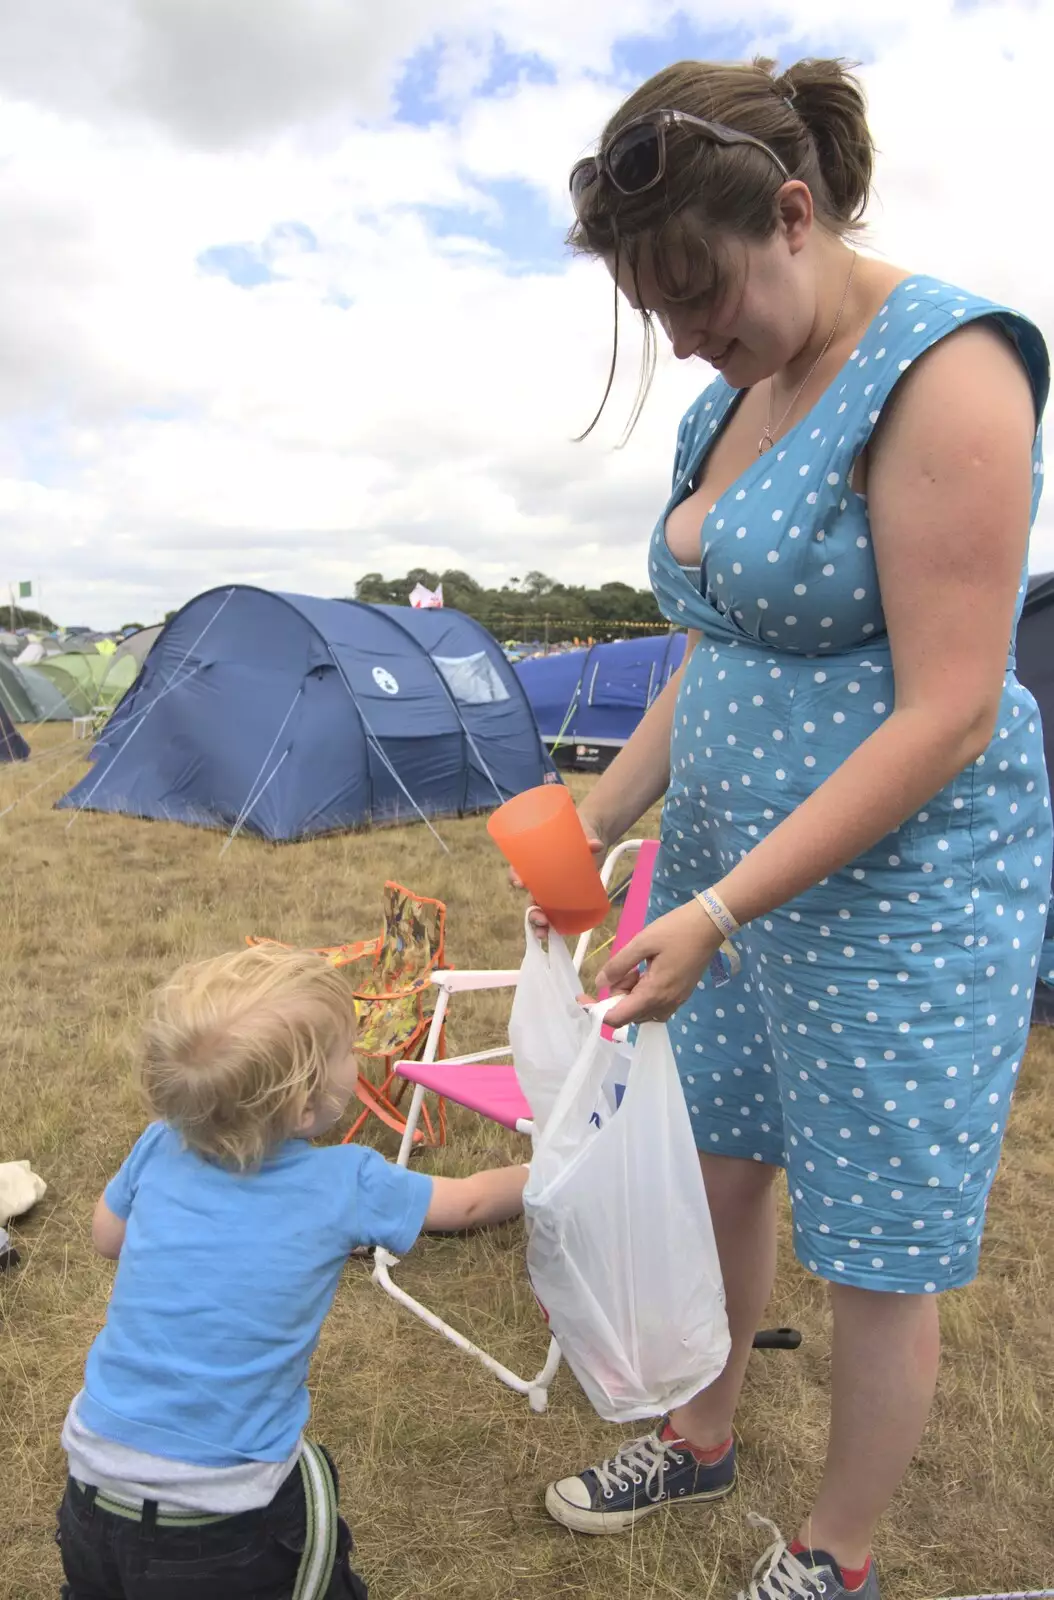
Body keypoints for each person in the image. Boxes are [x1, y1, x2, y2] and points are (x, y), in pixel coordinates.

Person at [536, 53, 1050, 1600]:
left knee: (874, 1246)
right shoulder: (731, 401)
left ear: (790, 211)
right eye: (658, 314)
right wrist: (598, 814)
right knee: (719, 1166)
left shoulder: (948, 366)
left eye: (699, 294)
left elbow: (946, 707)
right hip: (720, 876)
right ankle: (700, 1433)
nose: (688, 338)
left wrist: (718, 911)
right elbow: (722, 647)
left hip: (895, 890)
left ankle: (836, 1554)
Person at [56, 943, 527, 1600]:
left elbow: (106, 1237)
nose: (357, 1058)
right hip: (226, 1517)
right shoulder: (345, 1181)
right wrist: (548, 1170)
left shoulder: (160, 1143)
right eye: (345, 1051)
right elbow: (471, 1200)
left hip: (91, 1489)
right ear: (306, 1107)